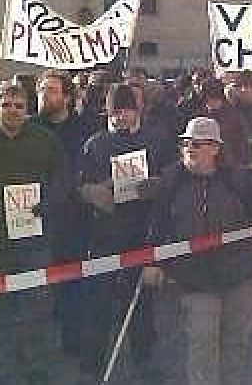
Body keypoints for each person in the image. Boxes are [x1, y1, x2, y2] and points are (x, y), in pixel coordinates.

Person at [143, 117, 252, 385]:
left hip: (239, 276)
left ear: (215, 148)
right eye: (185, 143)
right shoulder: (172, 180)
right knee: (201, 343)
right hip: (195, 279)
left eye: (197, 144)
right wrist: (152, 261)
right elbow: (156, 224)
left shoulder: (238, 180)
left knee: (234, 343)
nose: (189, 149)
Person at [0, 82, 68, 384]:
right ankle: (0, 375)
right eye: (5, 104)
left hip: (34, 242)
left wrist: (49, 204)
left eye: (19, 105)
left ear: (28, 109)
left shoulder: (46, 141)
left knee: (36, 309)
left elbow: (63, 180)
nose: (12, 111)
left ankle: (35, 371)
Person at [77, 83, 162, 382]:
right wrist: (93, 192)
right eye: (114, 112)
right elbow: (80, 183)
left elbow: (171, 179)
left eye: (125, 111)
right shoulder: (95, 144)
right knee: (99, 301)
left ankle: (144, 359)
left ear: (137, 111)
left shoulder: (155, 141)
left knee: (141, 303)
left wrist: (156, 185)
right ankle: (93, 361)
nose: (120, 117)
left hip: (143, 231)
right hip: (105, 234)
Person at [29, 69, 90, 357]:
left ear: (66, 96)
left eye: (52, 89)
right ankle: (37, 353)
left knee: (72, 285)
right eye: (42, 89)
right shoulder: (30, 130)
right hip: (35, 219)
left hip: (72, 220)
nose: (44, 94)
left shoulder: (84, 129)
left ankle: (73, 343)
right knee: (37, 290)